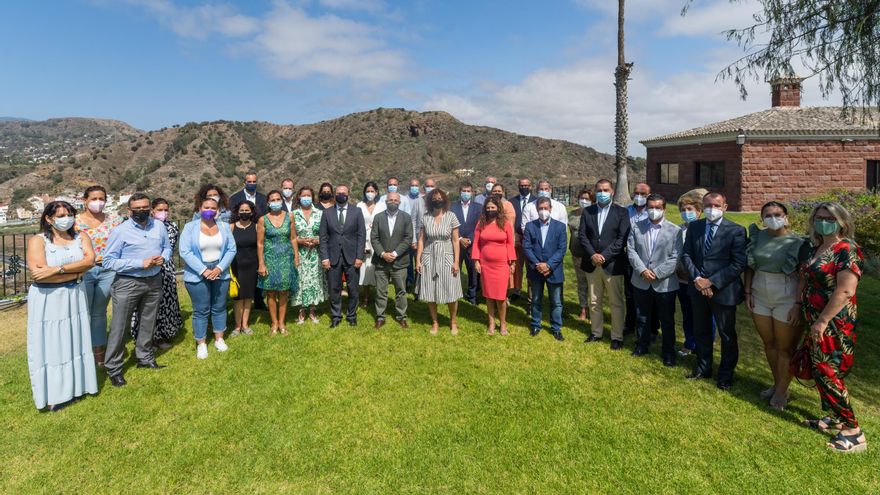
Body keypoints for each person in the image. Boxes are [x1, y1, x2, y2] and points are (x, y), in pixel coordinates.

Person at [800, 202, 867, 453]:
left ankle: (854, 432)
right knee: (819, 369)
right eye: (819, 217)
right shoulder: (818, 246)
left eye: (829, 217)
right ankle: (835, 418)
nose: (823, 221)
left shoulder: (846, 249)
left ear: (841, 221)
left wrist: (823, 320)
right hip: (815, 317)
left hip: (834, 321)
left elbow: (846, 290)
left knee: (828, 371)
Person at [26, 201, 98, 411]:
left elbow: (90, 261)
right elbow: (40, 275)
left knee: (76, 338)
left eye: (69, 214)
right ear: (48, 219)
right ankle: (55, 394)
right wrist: (76, 272)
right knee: (53, 344)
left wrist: (58, 270)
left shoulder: (80, 237)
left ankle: (79, 386)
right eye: (60, 215)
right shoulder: (38, 241)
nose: (66, 218)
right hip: (49, 298)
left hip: (75, 294)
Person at [102, 193, 172, 387]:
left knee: (148, 322)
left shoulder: (158, 226)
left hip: (154, 280)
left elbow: (166, 247)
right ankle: (114, 368)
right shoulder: (120, 231)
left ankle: (144, 357)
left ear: (150, 208)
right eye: (137, 209)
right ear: (129, 210)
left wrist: (162, 258)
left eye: (145, 208)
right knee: (120, 326)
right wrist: (140, 263)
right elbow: (109, 261)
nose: (141, 211)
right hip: (128, 283)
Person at [745, 201, 809, 409]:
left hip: (786, 292)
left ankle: (781, 393)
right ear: (762, 218)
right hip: (759, 290)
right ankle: (778, 383)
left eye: (777, 214)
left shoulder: (798, 242)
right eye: (768, 215)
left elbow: (803, 276)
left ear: (786, 216)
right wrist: (747, 291)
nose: (773, 218)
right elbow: (749, 266)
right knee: (769, 343)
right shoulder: (757, 236)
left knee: (785, 347)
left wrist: (798, 303)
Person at [681, 192, 747, 391]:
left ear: (725, 207)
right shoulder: (695, 227)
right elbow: (686, 255)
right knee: (701, 331)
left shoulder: (736, 230)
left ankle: (725, 376)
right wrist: (698, 280)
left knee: (727, 335)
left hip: (724, 291)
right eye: (708, 205)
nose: (712, 208)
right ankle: (703, 368)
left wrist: (711, 282)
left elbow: (738, 263)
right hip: (697, 289)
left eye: (717, 205)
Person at [627, 194, 683, 366]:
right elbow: (631, 250)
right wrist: (643, 270)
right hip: (641, 280)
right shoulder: (636, 226)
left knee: (666, 320)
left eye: (657, 207)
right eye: (650, 207)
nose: (653, 211)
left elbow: (676, 257)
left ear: (664, 209)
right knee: (642, 316)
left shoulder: (675, 230)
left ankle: (668, 352)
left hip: (664, 283)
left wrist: (657, 273)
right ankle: (641, 345)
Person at [180, 197, 238, 359]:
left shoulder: (224, 227)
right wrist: (203, 270)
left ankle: (219, 339)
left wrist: (219, 268)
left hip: (221, 272)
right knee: (201, 310)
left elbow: (231, 249)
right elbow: (185, 251)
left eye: (213, 208)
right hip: (197, 274)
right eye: (206, 207)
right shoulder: (190, 227)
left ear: (218, 210)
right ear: (199, 208)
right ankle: (202, 343)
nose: (209, 211)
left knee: (219, 307)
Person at [578, 179, 630, 349]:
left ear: (612, 191)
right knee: (594, 301)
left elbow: (622, 239)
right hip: (592, 263)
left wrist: (604, 256)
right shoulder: (588, 212)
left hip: (612, 265)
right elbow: (583, 236)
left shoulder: (621, 212)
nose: (602, 193)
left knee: (616, 302)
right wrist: (593, 255)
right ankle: (596, 332)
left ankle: (617, 336)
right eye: (599, 190)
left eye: (605, 190)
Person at [75, 185, 122, 366]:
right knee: (81, 311)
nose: (98, 202)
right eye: (94, 199)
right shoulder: (75, 221)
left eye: (101, 198)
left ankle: (98, 352)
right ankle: (80, 351)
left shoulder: (114, 220)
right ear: (84, 200)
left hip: (107, 271)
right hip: (83, 271)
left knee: (99, 313)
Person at [131, 198, 182, 348]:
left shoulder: (172, 226)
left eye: (166, 209)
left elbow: (169, 247)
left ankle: (164, 334)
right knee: (149, 304)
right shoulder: (146, 226)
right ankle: (148, 335)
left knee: (166, 302)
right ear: (152, 210)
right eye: (160, 210)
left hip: (166, 268)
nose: (163, 213)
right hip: (147, 267)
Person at [416, 188, 463, 335]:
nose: (437, 200)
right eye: (434, 198)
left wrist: (456, 261)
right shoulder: (425, 217)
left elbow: (455, 241)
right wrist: (418, 260)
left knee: (451, 289)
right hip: (429, 256)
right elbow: (421, 240)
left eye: (439, 197)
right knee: (430, 289)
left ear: (444, 199)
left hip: (447, 256)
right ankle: (435, 322)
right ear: (430, 201)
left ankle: (453, 322)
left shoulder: (451, 216)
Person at [319, 184, 366, 327]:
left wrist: (359, 257)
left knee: (353, 288)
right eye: (338, 193)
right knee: (334, 288)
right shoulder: (327, 213)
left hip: (352, 257)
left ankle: (352, 315)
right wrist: (325, 258)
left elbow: (361, 235)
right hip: (333, 257)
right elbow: (323, 237)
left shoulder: (357, 212)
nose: (341, 195)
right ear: (334, 195)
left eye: (343, 193)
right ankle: (336, 316)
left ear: (348, 194)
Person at [523, 197, 567, 341]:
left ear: (550, 209)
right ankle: (536, 324)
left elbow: (562, 249)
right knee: (536, 299)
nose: (543, 211)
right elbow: (527, 247)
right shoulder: (530, 226)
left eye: (545, 208)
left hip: (554, 270)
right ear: (536, 210)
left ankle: (556, 328)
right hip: (536, 270)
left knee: (556, 301)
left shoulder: (560, 227)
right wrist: (538, 264)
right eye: (540, 209)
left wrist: (548, 265)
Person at [257, 190, 300, 335]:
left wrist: (296, 256)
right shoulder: (263, 219)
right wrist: (261, 263)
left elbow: (293, 238)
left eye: (278, 199)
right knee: (270, 292)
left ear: (281, 201)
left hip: (286, 259)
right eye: (272, 200)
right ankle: (274, 323)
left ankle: (282, 322)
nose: (275, 202)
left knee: (283, 292)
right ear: (268, 203)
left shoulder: (290, 217)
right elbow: (260, 244)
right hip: (270, 259)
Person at [472, 197, 516, 335]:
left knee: (501, 296)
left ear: (498, 208)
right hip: (486, 264)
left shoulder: (505, 224)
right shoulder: (481, 223)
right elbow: (476, 243)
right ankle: (491, 323)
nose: (490, 210)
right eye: (488, 207)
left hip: (502, 264)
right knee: (489, 296)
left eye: (493, 207)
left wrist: (513, 261)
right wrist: (476, 261)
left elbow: (510, 243)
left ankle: (503, 324)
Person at [370, 192, 413, 329]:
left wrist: (394, 253)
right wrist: (382, 253)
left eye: (395, 200)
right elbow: (374, 238)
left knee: (401, 291)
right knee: (381, 291)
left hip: (399, 262)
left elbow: (408, 238)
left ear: (399, 202)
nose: (393, 202)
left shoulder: (406, 218)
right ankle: (380, 317)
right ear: (386, 201)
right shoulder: (378, 217)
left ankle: (401, 317)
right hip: (381, 262)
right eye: (390, 200)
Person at [291, 187, 327, 324]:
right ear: (299, 197)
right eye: (303, 195)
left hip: (315, 254)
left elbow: (325, 233)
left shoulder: (320, 213)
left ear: (313, 197)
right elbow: (291, 235)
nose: (306, 197)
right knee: (301, 281)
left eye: (309, 195)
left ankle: (312, 310)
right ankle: (301, 310)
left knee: (314, 281)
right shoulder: (293, 214)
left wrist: (318, 240)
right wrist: (299, 240)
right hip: (299, 253)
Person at [625, 182, 654, 337]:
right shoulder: (626, 211)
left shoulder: (652, 212)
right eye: (636, 193)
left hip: (647, 260)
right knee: (629, 293)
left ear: (649, 195)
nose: (639, 196)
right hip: (628, 257)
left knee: (650, 294)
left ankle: (652, 328)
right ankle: (630, 323)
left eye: (643, 194)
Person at [676, 196, 703, 357]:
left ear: (699, 212)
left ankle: (703, 345)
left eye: (690, 210)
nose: (686, 213)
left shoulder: (704, 229)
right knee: (687, 313)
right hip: (682, 279)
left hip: (700, 281)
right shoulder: (679, 230)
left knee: (704, 316)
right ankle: (689, 343)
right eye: (683, 210)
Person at [230, 200, 259, 336]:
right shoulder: (231, 227)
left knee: (248, 297)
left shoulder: (257, 227)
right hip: (236, 266)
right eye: (242, 210)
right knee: (238, 297)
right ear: (237, 212)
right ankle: (237, 326)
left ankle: (245, 325)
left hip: (252, 266)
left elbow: (261, 247)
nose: (244, 213)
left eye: (247, 210)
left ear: (252, 212)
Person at [450, 182, 481, 305]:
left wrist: (470, 239)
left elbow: (479, 226)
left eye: (468, 191)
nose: (466, 193)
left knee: (472, 272)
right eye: (464, 191)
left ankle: (472, 296)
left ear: (472, 192)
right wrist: (460, 238)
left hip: (472, 245)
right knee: (454, 270)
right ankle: (453, 294)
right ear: (459, 192)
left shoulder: (478, 207)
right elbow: (450, 226)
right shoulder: (452, 207)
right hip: (456, 244)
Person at [356, 182, 383, 309]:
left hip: (379, 241)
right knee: (364, 269)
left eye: (372, 191)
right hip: (363, 240)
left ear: (377, 192)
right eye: (368, 191)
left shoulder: (382, 206)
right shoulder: (359, 206)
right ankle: (365, 297)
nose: (370, 193)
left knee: (377, 268)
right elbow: (355, 223)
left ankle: (379, 297)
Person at [568, 188, 593, 321]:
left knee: (593, 283)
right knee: (581, 282)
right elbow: (571, 233)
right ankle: (583, 308)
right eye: (582, 198)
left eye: (587, 199)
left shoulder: (594, 214)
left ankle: (594, 308)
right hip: (577, 254)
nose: (584, 201)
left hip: (591, 255)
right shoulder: (572, 215)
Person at [509, 178, 535, 303]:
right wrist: (514, 235)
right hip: (517, 240)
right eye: (521, 185)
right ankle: (516, 290)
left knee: (531, 268)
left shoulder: (536, 201)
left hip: (532, 241)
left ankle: (531, 294)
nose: (524, 187)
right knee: (517, 267)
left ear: (531, 186)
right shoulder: (512, 201)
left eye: (526, 185)